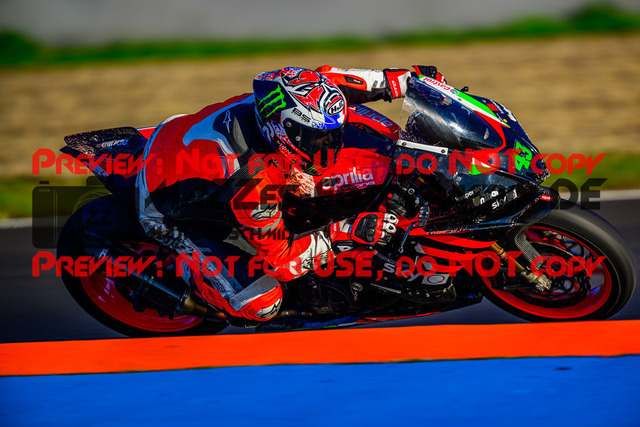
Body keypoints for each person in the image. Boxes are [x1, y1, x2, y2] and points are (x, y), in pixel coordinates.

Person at [136, 65, 446, 325]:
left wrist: (412, 81)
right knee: (262, 304)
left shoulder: (296, 96)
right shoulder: (253, 185)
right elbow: (280, 261)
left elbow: (336, 81)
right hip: (165, 209)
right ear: (280, 129)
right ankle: (191, 275)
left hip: (181, 147)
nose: (328, 144)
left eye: (329, 135)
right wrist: (347, 231)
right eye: (315, 138)